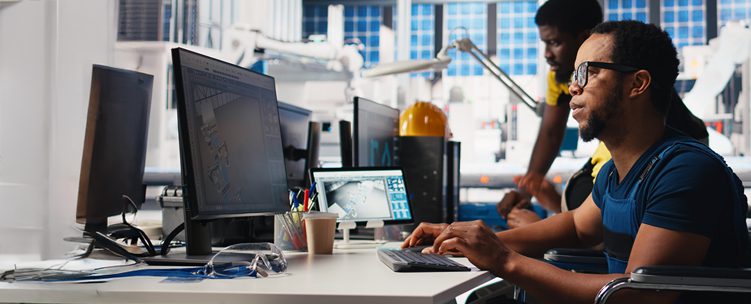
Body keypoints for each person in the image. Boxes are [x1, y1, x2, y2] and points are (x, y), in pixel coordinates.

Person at [403, 21, 749, 303]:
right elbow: (577, 227)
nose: (573, 88)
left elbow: (639, 297)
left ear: (638, 83)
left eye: (587, 73)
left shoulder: (684, 171)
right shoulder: (616, 170)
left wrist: (504, 259)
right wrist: (472, 239)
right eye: (573, 76)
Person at [499, 0, 708, 229]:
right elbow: (580, 229)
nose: (573, 90)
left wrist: (533, 232)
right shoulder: (608, 171)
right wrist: (529, 189)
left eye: (555, 42)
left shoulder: (671, 157)